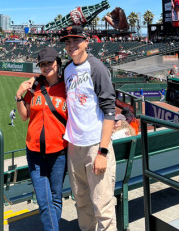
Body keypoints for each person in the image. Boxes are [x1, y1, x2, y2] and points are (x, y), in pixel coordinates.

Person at [60, 25, 116, 231]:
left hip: (95, 146)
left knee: (103, 207)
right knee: (82, 203)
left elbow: (110, 110)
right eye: (67, 41)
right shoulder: (67, 69)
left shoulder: (96, 67)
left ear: (86, 42)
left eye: (75, 40)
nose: (71, 45)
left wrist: (103, 151)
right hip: (74, 147)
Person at [15, 47, 68, 231]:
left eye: (49, 63)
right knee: (44, 202)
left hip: (59, 152)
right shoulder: (36, 86)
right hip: (35, 152)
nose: (46, 67)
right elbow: (24, 116)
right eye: (42, 64)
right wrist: (19, 96)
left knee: (55, 198)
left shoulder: (67, 87)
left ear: (58, 63)